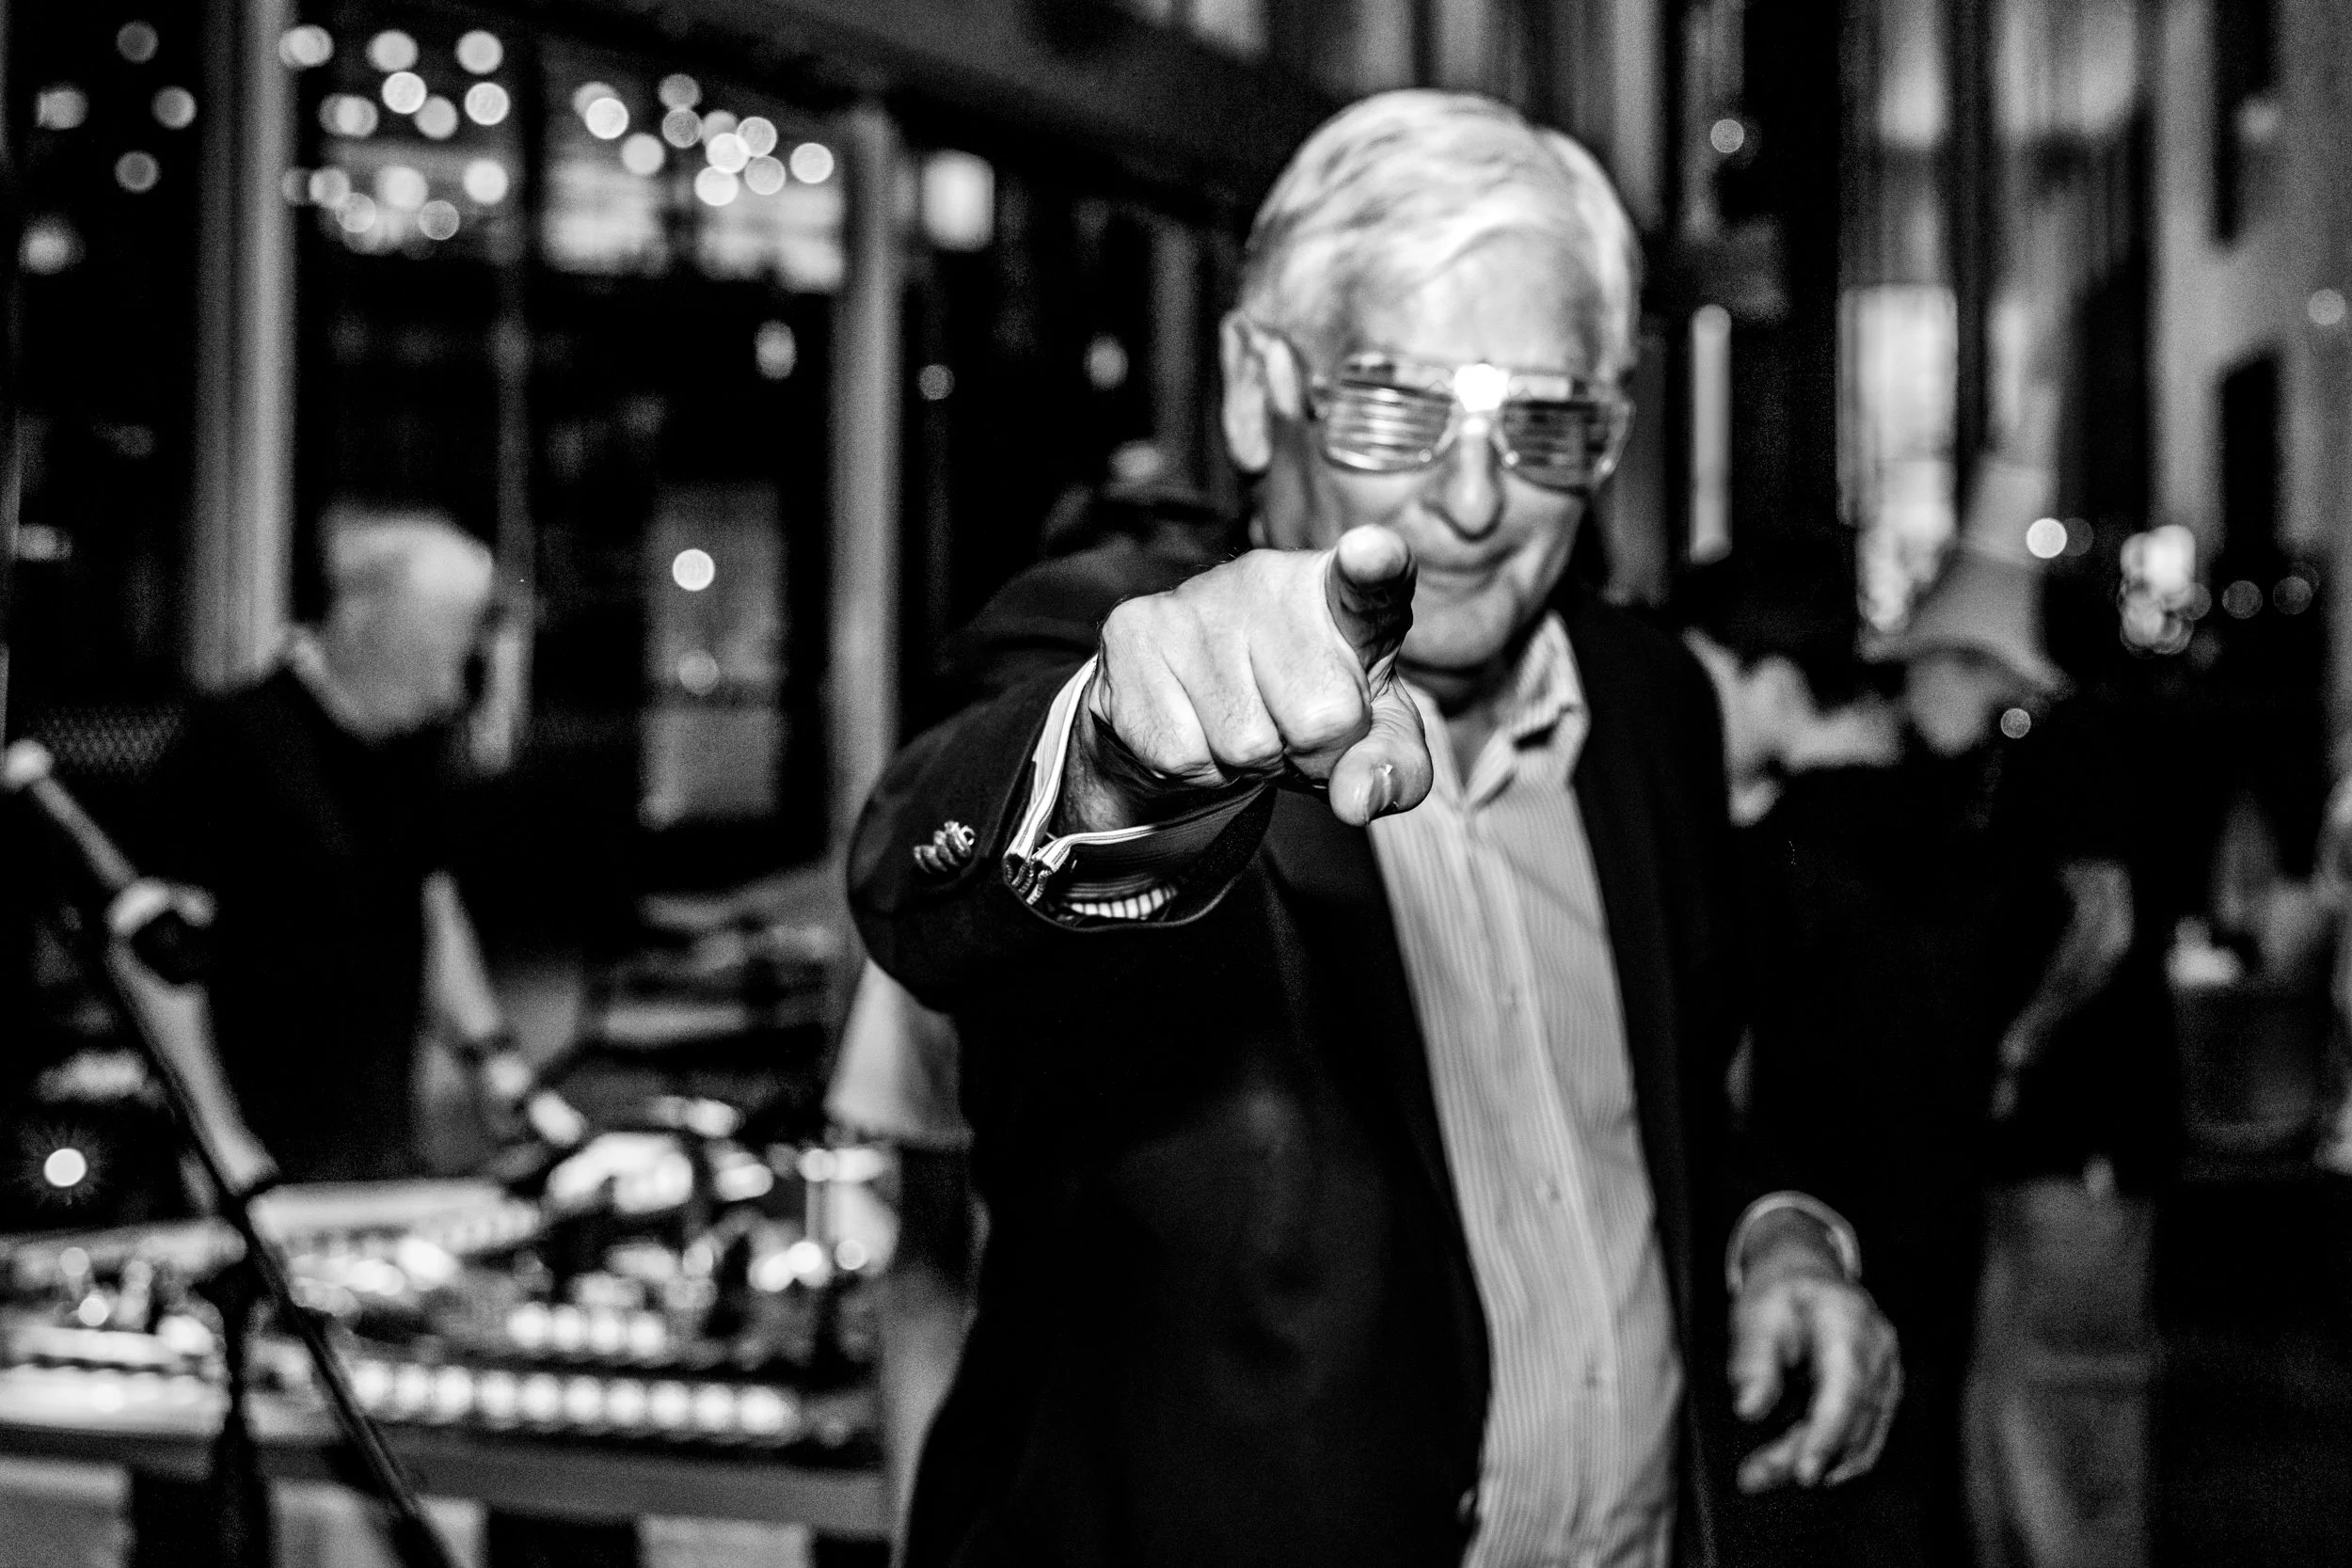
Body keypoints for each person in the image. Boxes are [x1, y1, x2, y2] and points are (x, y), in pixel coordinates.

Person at [850, 91, 1899, 1568]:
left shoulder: (1653, 701)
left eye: (1544, 423)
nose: (1473, 500)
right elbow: (924, 870)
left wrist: (1776, 1230)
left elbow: (1663, 1097)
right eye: (1396, 404)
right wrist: (1123, 767)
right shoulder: (1100, 645)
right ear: (1252, 387)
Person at [147, 508, 544, 1186]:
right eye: (433, 652)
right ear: (363, 622)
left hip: (380, 1141)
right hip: (255, 1147)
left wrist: (494, 1059)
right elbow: (157, 962)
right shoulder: (230, 743)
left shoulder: (408, 751)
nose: (449, 686)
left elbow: (430, 904)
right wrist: (213, 1134)